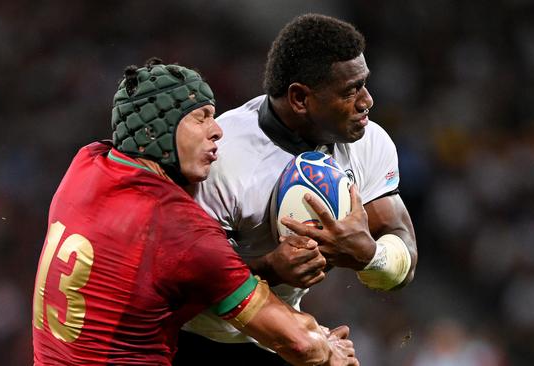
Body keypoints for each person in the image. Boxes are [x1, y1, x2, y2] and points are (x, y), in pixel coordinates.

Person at [31, 58, 360, 366]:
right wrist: (330, 350)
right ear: (155, 132)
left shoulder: (86, 163)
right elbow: (300, 344)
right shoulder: (178, 229)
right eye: (200, 117)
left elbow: (177, 277)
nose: (217, 130)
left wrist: (267, 267)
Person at [175, 13, 418, 364]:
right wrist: (270, 268)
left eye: (364, 83)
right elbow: (180, 285)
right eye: (351, 90)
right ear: (300, 98)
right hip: (196, 341)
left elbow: (404, 259)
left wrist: (369, 255)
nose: (367, 101)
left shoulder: (368, 142)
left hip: (279, 339)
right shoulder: (220, 155)